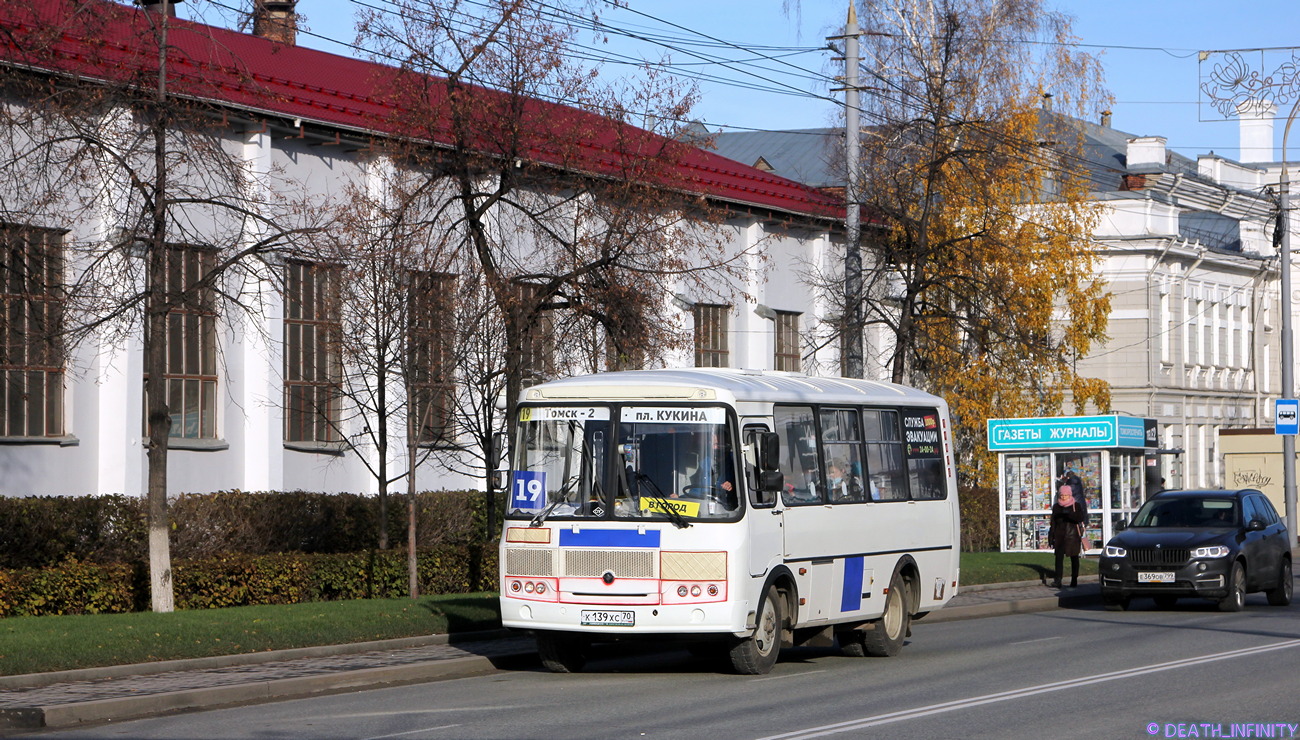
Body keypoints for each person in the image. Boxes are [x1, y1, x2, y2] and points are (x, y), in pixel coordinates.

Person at [1047, 484, 1087, 589]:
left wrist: (1069, 514)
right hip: (1060, 536)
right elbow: (1053, 523)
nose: (1064, 497)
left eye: (1066, 495)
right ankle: (1058, 580)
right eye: (1062, 495)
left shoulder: (1076, 505)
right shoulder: (1056, 507)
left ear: (1070, 495)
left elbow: (1080, 518)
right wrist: (1051, 536)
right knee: (1058, 559)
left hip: (1072, 536)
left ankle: (1074, 579)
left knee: (1074, 558)